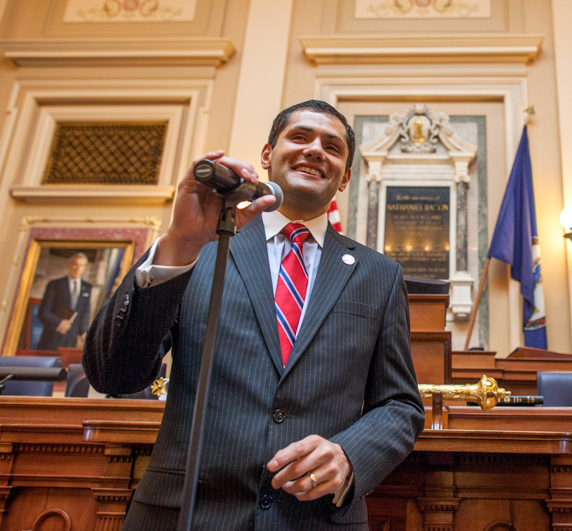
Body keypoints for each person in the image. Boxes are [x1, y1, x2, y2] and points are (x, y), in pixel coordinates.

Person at [84, 100, 425, 530]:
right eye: (300, 137)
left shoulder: (380, 274)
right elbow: (113, 374)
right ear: (267, 156)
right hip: (186, 514)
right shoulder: (198, 248)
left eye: (332, 147)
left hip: (315, 518)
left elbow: (400, 403)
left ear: (345, 178)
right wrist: (179, 244)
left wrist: (349, 455)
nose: (316, 149)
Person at [37, 253, 92, 350]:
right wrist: (59, 323)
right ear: (70, 265)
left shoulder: (87, 287)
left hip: (71, 341)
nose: (78, 268)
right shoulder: (55, 284)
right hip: (52, 339)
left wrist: (84, 332)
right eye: (75, 264)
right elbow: (43, 312)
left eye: (82, 265)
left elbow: (85, 312)